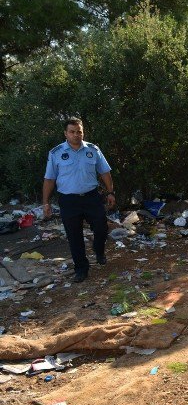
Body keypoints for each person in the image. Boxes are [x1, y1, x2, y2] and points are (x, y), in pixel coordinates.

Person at [42, 118, 115, 283]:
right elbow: (49, 179)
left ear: (83, 132)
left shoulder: (93, 150)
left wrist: (111, 192)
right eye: (72, 132)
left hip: (91, 198)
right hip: (69, 201)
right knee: (74, 236)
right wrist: (45, 202)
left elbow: (105, 172)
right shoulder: (56, 153)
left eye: (79, 131)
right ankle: (81, 269)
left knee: (101, 228)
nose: (76, 135)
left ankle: (99, 251)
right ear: (65, 133)